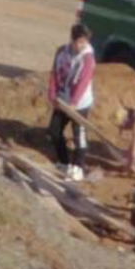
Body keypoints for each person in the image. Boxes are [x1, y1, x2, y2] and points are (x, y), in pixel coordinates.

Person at [48, 23, 96, 182]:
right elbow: (55, 73)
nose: (83, 45)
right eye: (80, 41)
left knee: (79, 136)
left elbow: (83, 81)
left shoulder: (88, 58)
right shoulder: (61, 52)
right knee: (54, 130)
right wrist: (52, 93)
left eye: (86, 42)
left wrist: (74, 103)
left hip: (80, 103)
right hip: (63, 99)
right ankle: (63, 162)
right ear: (72, 39)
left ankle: (78, 168)